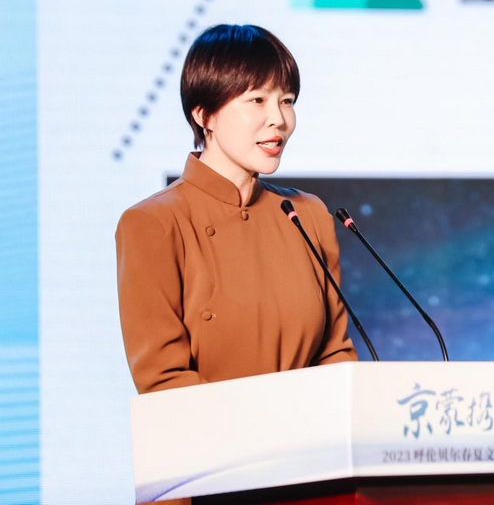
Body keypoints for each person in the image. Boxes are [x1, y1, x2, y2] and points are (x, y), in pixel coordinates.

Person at [116, 24, 357, 396]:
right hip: (208, 432)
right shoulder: (153, 224)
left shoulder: (308, 216)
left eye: (287, 100)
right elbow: (163, 380)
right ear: (204, 114)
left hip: (308, 431)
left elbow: (335, 356)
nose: (279, 119)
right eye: (258, 100)